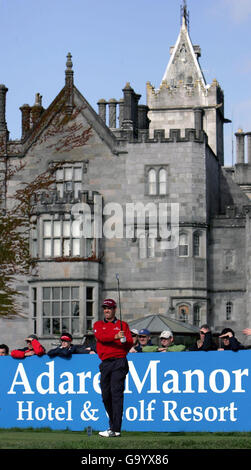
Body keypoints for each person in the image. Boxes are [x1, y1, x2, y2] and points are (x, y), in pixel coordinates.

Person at [94, 298, 133, 438]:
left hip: (119, 362)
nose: (106, 310)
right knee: (106, 396)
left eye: (109, 308)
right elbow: (101, 337)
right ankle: (113, 425)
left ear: (114, 309)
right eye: (105, 308)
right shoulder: (98, 324)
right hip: (105, 363)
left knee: (116, 395)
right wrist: (116, 336)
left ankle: (116, 429)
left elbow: (129, 343)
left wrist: (124, 340)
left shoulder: (123, 325)